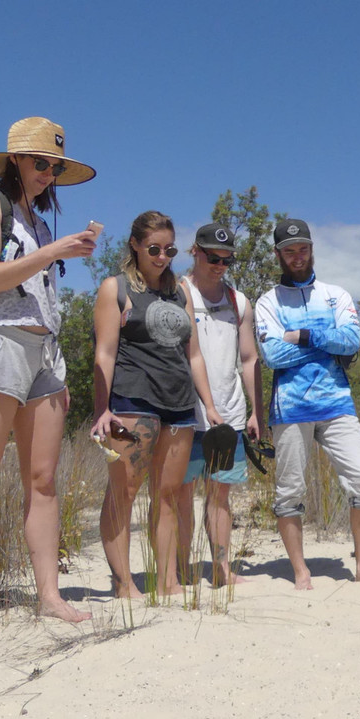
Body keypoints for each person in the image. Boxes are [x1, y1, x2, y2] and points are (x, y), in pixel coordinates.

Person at [0, 116, 96, 637]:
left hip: (45, 355)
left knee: (44, 481)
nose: (48, 173)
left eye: (56, 165)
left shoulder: (40, 220)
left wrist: (60, 366)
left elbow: (45, 297)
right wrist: (53, 252)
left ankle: (49, 595)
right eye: (40, 163)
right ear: (15, 160)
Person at [91, 211, 221, 598]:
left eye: (169, 249)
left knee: (168, 494)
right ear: (134, 245)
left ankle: (166, 579)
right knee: (123, 494)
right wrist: (102, 409)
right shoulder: (115, 289)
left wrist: (209, 405)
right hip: (132, 401)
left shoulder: (180, 291)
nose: (162, 256)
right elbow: (105, 353)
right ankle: (124, 582)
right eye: (153, 249)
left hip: (179, 405)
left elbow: (193, 354)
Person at [253, 218, 360, 590]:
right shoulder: (268, 301)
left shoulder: (335, 294)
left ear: (312, 249)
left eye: (303, 249)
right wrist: (324, 345)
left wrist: (304, 335)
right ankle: (300, 571)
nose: (297, 256)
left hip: (337, 403)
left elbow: (352, 341)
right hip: (290, 408)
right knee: (290, 490)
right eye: (289, 250)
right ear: (278, 254)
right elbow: (273, 354)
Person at [177, 223, 263, 586]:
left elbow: (248, 358)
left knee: (219, 495)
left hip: (228, 415)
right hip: (185, 414)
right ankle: (179, 569)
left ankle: (221, 569)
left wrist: (256, 410)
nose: (219, 265)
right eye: (213, 257)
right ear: (195, 251)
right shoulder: (178, 293)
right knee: (179, 495)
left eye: (226, 259)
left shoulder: (238, 301)